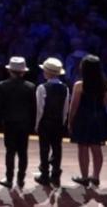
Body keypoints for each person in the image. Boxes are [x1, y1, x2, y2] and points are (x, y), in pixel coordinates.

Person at [69, 55, 107, 188]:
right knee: (96, 148)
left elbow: (74, 106)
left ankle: (84, 177)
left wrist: (70, 121)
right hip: (99, 117)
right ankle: (96, 177)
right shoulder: (105, 84)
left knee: (83, 147)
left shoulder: (79, 85)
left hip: (83, 118)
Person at [0, 56, 36, 190]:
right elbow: (33, 108)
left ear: (10, 71)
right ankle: (21, 179)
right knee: (23, 152)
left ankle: (9, 178)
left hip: (9, 123)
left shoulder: (2, 86)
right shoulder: (30, 87)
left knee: (10, 151)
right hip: (24, 123)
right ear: (23, 72)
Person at [34, 57, 69, 187]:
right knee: (57, 148)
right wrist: (63, 122)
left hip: (45, 122)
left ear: (47, 73)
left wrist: (37, 124)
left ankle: (44, 175)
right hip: (58, 122)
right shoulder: (65, 88)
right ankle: (55, 174)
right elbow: (65, 109)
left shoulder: (42, 88)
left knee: (44, 148)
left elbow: (40, 109)